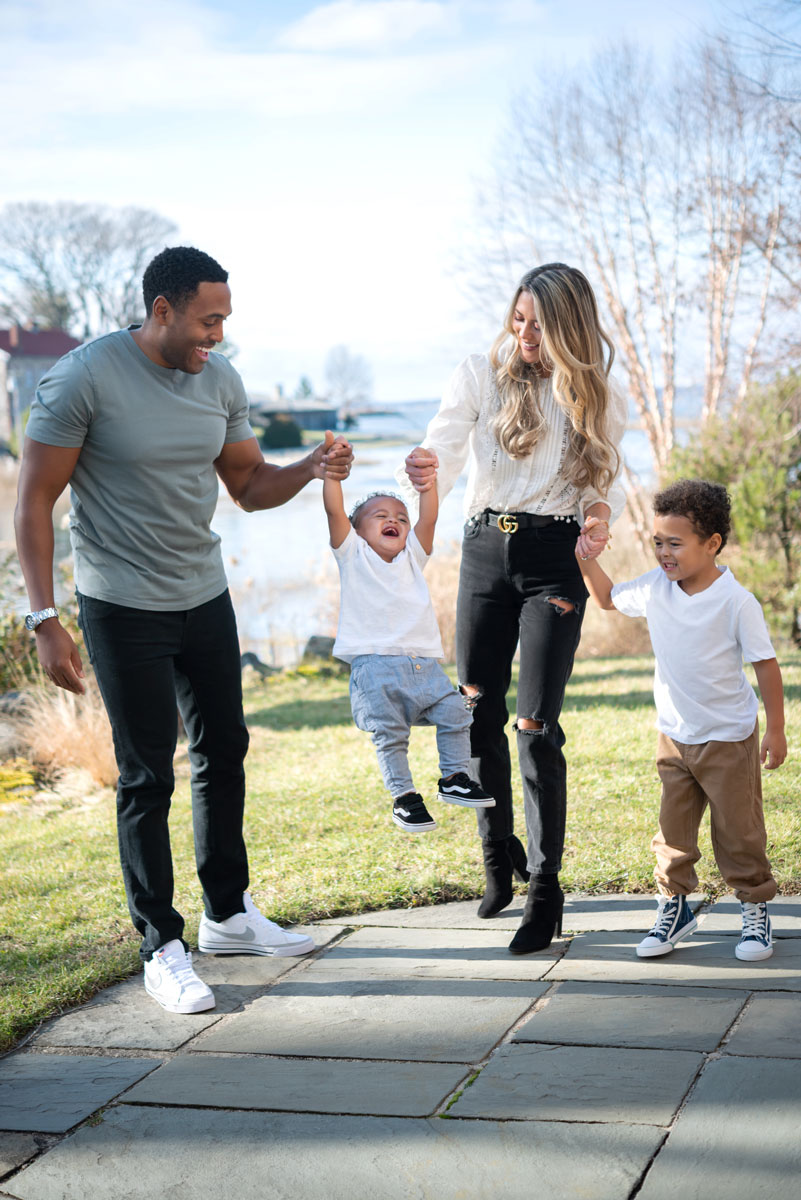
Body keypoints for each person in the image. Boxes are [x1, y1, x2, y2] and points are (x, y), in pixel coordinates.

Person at [14, 245, 353, 1015]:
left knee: (223, 748)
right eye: (208, 320)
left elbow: (247, 487)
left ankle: (227, 916)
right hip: (120, 602)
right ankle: (160, 945)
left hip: (203, 593)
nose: (218, 335)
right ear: (162, 310)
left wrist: (308, 468)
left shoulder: (219, 381)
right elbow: (34, 502)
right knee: (145, 774)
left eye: (225, 320)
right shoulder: (82, 378)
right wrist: (44, 617)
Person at [401, 263, 626, 954]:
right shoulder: (481, 373)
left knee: (534, 724)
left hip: (553, 562)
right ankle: (498, 858)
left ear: (568, 327)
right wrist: (422, 462)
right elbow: (441, 439)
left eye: (539, 323)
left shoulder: (592, 396)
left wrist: (595, 520)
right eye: (518, 319)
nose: (524, 333)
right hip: (481, 553)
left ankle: (546, 889)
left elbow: (597, 484)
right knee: (476, 708)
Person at [577, 479, 786, 961]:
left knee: (739, 832)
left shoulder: (736, 601)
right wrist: (587, 556)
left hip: (729, 738)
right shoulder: (656, 589)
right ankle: (675, 908)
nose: (663, 553)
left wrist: (774, 729)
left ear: (711, 544)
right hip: (674, 736)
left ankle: (754, 910)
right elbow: (608, 599)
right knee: (672, 832)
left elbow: (766, 666)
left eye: (675, 543)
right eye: (657, 543)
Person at [323, 467, 494, 832]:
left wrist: (428, 484)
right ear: (357, 530)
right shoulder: (353, 555)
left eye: (401, 517)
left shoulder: (413, 558)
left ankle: (455, 779)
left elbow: (428, 516)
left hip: (424, 667)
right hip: (375, 669)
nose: (394, 521)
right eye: (380, 516)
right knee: (391, 735)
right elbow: (335, 512)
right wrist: (331, 475)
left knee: (456, 714)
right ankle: (404, 798)